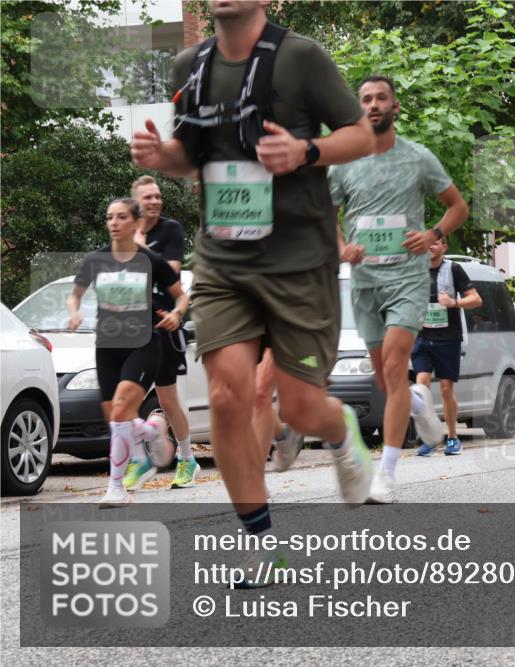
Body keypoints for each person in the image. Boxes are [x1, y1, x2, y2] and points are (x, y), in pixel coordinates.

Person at [132, 0, 377, 580]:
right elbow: (191, 157)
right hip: (223, 262)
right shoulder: (190, 64)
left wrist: (305, 151)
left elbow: (363, 134)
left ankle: (340, 430)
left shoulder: (301, 58)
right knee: (226, 394)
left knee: (299, 406)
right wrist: (158, 156)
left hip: (299, 262)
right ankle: (260, 539)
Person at [330, 75, 469, 503]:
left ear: (395, 107)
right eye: (366, 99)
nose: (373, 105)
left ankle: (386, 474)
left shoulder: (418, 158)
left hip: (407, 280)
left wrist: (431, 234)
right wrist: (342, 248)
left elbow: (458, 207)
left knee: (393, 367)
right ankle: (417, 403)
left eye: (381, 98)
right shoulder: (344, 162)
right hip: (366, 281)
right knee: (386, 378)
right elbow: (323, 213)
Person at [67, 198, 188, 507]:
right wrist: (74, 312)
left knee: (121, 408)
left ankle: (116, 487)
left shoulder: (151, 261)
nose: (114, 222)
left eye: (121, 217)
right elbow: (75, 294)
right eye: (110, 217)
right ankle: (150, 430)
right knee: (114, 415)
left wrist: (176, 315)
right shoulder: (96, 260)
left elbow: (181, 297)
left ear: (136, 223)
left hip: (144, 341)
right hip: (107, 345)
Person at [128, 175, 200, 489]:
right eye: (148, 198)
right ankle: (138, 459)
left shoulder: (170, 230)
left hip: (164, 323)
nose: (155, 201)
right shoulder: (124, 230)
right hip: (131, 325)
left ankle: (187, 459)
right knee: (123, 399)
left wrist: (139, 246)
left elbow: (169, 272)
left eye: (157, 196)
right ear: (136, 203)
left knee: (168, 399)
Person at [413, 237, 481, 455]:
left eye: (436, 242)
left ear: (444, 247)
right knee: (420, 387)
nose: (431, 245)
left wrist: (454, 302)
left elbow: (476, 299)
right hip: (422, 336)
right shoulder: (415, 269)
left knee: (445, 388)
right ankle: (429, 437)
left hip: (448, 337)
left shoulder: (454, 269)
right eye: (428, 242)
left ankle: (452, 437)